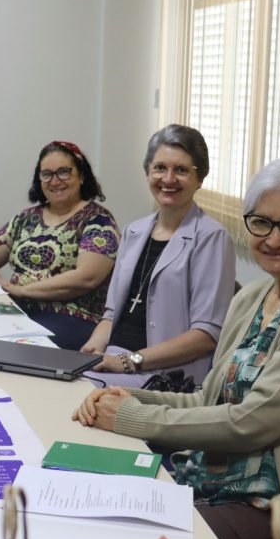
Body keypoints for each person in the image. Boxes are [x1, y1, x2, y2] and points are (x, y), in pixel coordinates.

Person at [74, 156, 280, 539]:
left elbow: (252, 421)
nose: (274, 239)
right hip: (209, 477)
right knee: (97, 519)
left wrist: (132, 417)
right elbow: (209, 399)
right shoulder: (252, 297)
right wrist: (127, 397)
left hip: (276, 504)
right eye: (262, 222)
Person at [80, 125, 236, 386]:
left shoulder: (212, 238)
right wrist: (93, 349)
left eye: (182, 170)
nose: (169, 179)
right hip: (115, 362)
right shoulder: (134, 231)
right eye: (160, 168)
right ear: (147, 172)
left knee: (78, 398)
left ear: (200, 179)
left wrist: (129, 361)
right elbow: (112, 313)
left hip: (167, 374)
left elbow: (206, 335)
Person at [0, 140, 119, 350]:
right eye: (47, 174)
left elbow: (86, 278)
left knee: (8, 347)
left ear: (81, 175)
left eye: (64, 172)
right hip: (17, 307)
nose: (55, 181)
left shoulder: (98, 221)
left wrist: (22, 290)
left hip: (70, 315)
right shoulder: (27, 217)